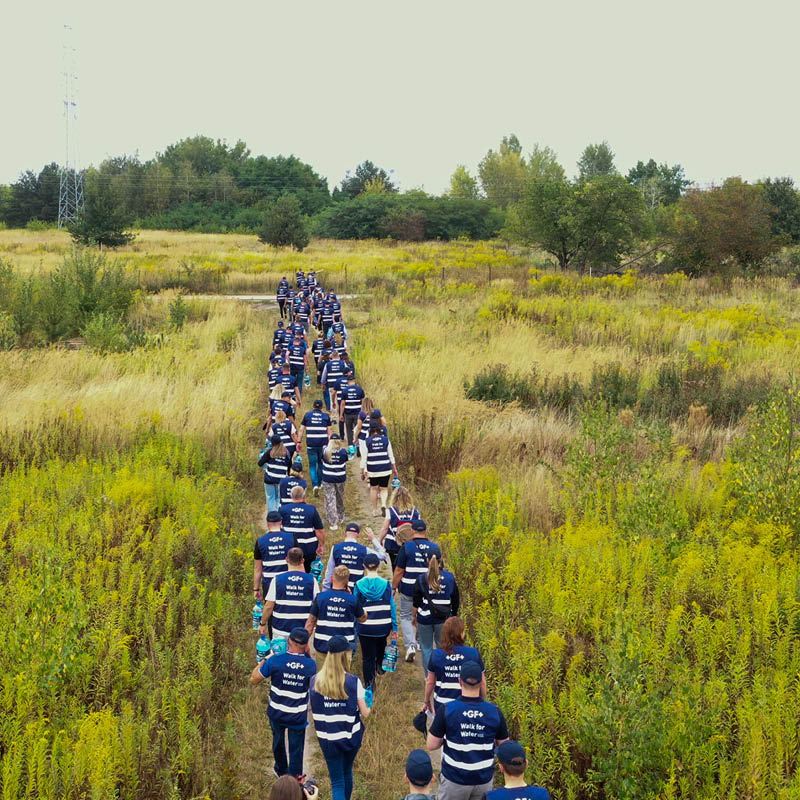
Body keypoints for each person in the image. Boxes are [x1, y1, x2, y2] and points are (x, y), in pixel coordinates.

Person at [426, 661, 509, 800]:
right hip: (483, 781)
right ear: (481, 683)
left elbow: (431, 744)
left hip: (454, 780)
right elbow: (505, 746)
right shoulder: (494, 712)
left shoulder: (447, 709)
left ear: (460, 681)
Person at [249, 627, 317, 781]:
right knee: (296, 749)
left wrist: (266, 657)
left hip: (276, 713)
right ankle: (294, 778)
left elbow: (253, 679)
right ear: (307, 645)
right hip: (297, 716)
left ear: (288, 641)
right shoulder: (311, 666)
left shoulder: (275, 660)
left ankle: (280, 770)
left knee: (278, 742)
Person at [310, 634, 371, 800]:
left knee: (336, 781)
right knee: (346, 772)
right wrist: (368, 701)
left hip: (327, 739)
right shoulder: (353, 681)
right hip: (351, 737)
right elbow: (365, 713)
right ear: (345, 654)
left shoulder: (315, 681)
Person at [392, 521, 441, 663]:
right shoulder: (435, 547)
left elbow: (399, 570)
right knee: (421, 614)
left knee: (406, 615)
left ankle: (410, 646)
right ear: (426, 531)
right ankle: (420, 641)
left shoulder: (407, 547)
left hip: (409, 588)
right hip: (427, 588)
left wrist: (394, 587)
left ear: (412, 532)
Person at [353, 552, 397, 689]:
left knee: (367, 658)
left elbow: (355, 607)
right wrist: (395, 627)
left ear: (363, 566)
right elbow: (392, 606)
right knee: (381, 645)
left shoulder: (358, 585)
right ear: (378, 566)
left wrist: (354, 627)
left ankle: (370, 686)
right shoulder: (386, 584)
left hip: (365, 627)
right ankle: (380, 666)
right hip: (383, 626)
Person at [423, 617, 485, 713]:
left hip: (442, 704)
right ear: (461, 634)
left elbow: (430, 682)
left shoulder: (436, 655)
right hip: (466, 705)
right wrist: (482, 702)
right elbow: (482, 682)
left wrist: (426, 701)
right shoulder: (473, 654)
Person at [413, 553, 460, 672]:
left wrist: (414, 616)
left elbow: (416, 602)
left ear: (428, 560)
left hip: (425, 618)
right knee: (443, 647)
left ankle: (429, 677)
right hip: (444, 619)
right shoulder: (449, 577)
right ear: (441, 560)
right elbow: (455, 599)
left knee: (426, 648)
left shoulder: (421, 578)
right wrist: (453, 615)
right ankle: (442, 676)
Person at [306, 565, 367, 654]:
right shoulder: (352, 600)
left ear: (332, 578)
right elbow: (362, 618)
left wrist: (303, 644)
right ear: (347, 580)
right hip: (345, 648)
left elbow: (310, 623)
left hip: (323, 645)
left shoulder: (320, 598)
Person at [253, 510, 296, 634]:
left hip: (269, 583)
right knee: (289, 609)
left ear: (267, 524)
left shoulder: (260, 541)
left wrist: (256, 589)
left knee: (270, 610)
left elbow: (258, 568)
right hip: (288, 580)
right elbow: (297, 561)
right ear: (281, 522)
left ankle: (275, 640)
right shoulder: (291, 538)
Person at [261, 548, 319, 640]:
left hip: (281, 632)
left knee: (280, 655)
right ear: (302, 560)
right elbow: (317, 606)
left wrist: (263, 623)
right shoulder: (312, 581)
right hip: (303, 633)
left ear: (287, 559)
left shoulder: (277, 580)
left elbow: (269, 606)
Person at [322, 522, 388, 590]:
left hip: (339, 588)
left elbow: (329, 571)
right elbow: (382, 555)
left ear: (345, 534)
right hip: (357, 589)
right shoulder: (364, 550)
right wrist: (373, 539)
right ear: (358, 535)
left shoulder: (335, 548)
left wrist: (325, 589)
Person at [280, 485, 325, 573]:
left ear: (291, 496)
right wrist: (321, 545)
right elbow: (319, 530)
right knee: (307, 572)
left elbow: (279, 528)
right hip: (308, 548)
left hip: (289, 548)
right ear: (304, 496)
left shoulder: (283, 510)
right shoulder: (311, 509)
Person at [359, 423, 398, 517]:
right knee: (384, 488)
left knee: (374, 488)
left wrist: (362, 471)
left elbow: (364, 458)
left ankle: (375, 509)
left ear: (370, 431)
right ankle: (384, 505)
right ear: (380, 431)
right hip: (385, 468)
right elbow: (391, 455)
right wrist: (395, 469)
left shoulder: (367, 441)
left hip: (373, 469)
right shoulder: (386, 440)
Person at [379, 486, 421, 570]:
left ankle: (396, 581)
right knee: (408, 566)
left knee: (395, 567)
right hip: (411, 544)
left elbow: (385, 528)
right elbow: (419, 528)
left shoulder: (390, 511)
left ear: (394, 498)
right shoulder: (415, 512)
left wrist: (380, 540)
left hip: (394, 544)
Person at [299, 399, 332, 496]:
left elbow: (301, 429)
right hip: (323, 444)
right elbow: (329, 432)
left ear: (313, 406)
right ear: (321, 407)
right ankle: (321, 482)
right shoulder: (326, 416)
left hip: (311, 444)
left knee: (312, 465)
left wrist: (298, 441)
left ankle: (315, 485)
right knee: (321, 463)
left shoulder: (307, 415)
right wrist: (330, 445)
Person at [321, 434, 349, 531]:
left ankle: (333, 522)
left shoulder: (325, 451)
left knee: (330, 499)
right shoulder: (343, 452)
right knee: (339, 497)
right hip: (340, 478)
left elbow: (321, 460)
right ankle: (341, 516)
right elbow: (346, 459)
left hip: (328, 478)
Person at [260, 435, 292, 513]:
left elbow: (260, 463)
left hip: (269, 479)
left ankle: (271, 516)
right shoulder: (286, 452)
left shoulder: (270, 452)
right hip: (281, 480)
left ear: (272, 443)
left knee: (270, 497)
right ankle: (278, 515)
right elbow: (289, 465)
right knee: (278, 498)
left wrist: (266, 466)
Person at [339, 373, 365, 447]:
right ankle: (358, 445)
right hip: (358, 413)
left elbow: (343, 404)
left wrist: (341, 414)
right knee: (358, 429)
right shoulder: (360, 389)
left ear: (347, 381)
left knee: (349, 430)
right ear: (354, 380)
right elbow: (363, 402)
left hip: (348, 413)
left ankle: (351, 446)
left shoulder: (344, 390)